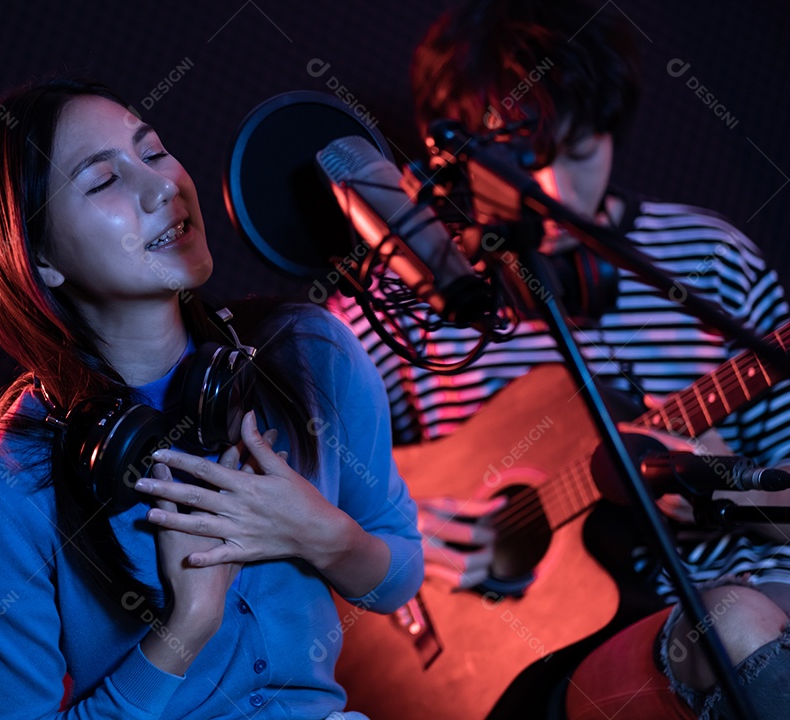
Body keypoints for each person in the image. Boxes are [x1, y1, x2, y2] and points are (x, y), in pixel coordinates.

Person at [329, 0, 790, 717]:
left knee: (737, 625)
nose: (553, 194)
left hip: (747, 601)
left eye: (579, 153)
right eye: (522, 166)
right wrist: (392, 535)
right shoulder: (397, 307)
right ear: (454, 161)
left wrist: (724, 485)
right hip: (536, 661)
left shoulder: (714, 261)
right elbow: (288, 471)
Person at [0, 78, 422, 720]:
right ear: (40, 257)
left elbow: (400, 576)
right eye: (103, 180)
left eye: (154, 151)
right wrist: (182, 630)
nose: (162, 186)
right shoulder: (4, 491)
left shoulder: (310, 351)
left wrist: (321, 534)